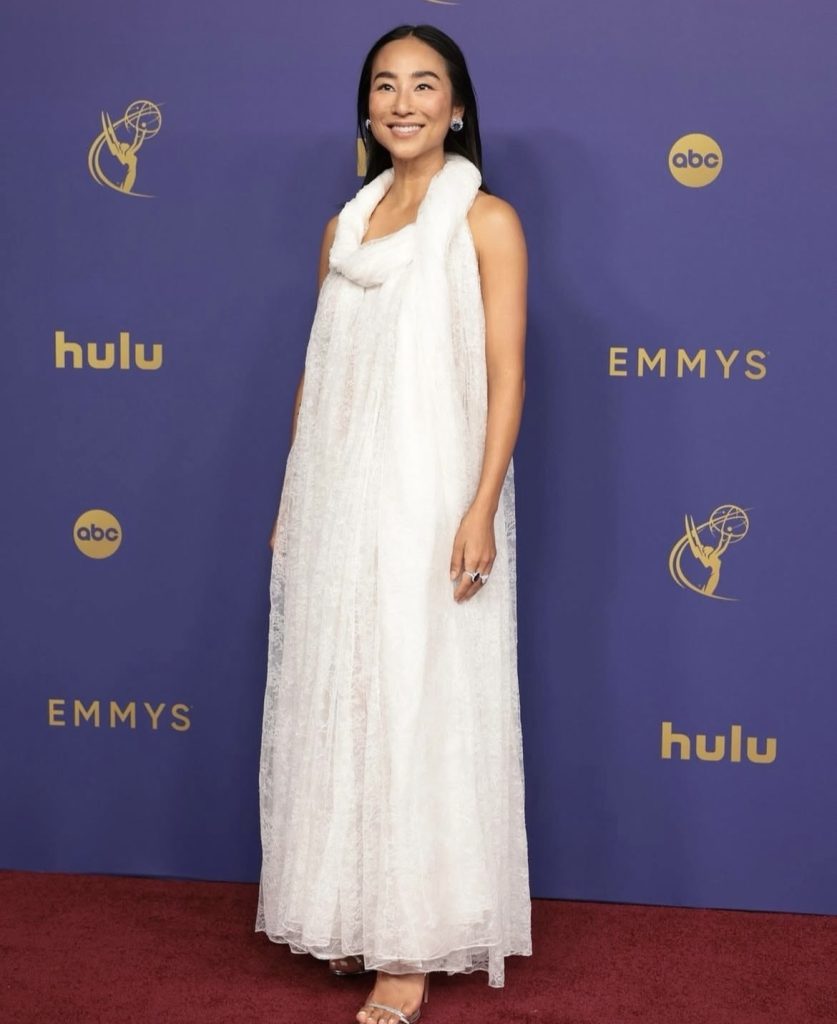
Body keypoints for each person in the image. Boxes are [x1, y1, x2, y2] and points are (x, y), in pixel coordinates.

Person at [256, 23, 531, 1024]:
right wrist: (295, 497)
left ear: (457, 106)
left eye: (425, 85)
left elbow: (506, 376)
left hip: (430, 495)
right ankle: (356, 909)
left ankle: (410, 946)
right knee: (344, 696)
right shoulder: (346, 226)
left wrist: (481, 502)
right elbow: (318, 373)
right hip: (338, 493)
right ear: (367, 106)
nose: (404, 101)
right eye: (385, 85)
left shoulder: (486, 220)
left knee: (421, 696)